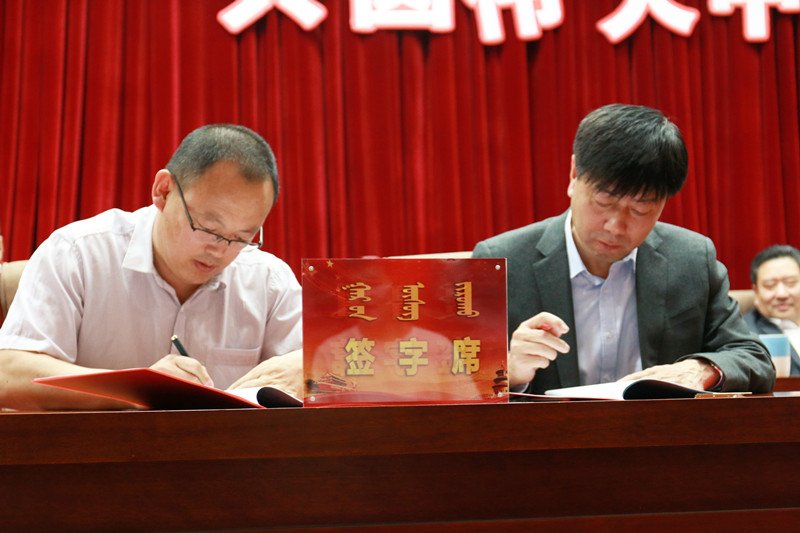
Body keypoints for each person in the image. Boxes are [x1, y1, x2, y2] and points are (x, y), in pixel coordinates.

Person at [472, 103, 774, 395]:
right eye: (604, 201)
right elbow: (460, 384)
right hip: (551, 431)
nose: (616, 226)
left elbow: (753, 358)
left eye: (641, 210)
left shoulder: (691, 259)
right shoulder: (501, 262)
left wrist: (701, 370)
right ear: (574, 174)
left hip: (660, 429)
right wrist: (508, 372)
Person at [0, 124, 302, 410]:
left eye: (243, 237)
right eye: (209, 228)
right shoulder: (78, 253)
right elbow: (9, 374)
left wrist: (306, 369)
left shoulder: (268, 280)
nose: (220, 250)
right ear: (163, 190)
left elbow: (317, 367)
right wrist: (138, 389)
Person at [743, 245, 800, 375]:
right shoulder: (742, 331)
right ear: (756, 292)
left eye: (790, 283)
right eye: (770, 285)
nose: (781, 294)